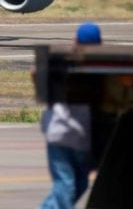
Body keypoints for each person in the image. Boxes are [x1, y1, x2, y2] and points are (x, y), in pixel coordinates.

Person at [39, 22, 99, 209]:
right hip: (65, 134)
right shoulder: (80, 66)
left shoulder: (70, 64)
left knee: (79, 184)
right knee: (67, 185)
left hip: (72, 135)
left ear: (76, 39)